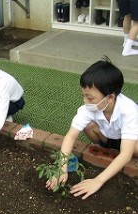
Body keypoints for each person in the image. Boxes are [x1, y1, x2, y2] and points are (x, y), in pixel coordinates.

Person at [45, 57, 138, 199]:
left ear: (110, 98)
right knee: (88, 126)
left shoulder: (129, 110)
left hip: (129, 141)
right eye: (83, 95)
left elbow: (126, 154)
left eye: (90, 98)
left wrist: (98, 180)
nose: (85, 101)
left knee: (132, 150)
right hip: (107, 137)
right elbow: (70, 136)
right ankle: (103, 147)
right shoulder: (88, 109)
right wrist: (61, 168)